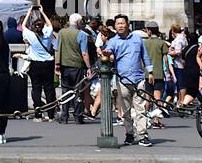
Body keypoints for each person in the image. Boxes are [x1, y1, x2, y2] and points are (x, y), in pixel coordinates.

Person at [101, 14, 153, 147]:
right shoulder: (113, 41)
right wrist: (107, 54)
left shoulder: (137, 39)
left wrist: (150, 71)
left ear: (127, 24)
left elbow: (145, 56)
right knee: (125, 111)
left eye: (122, 23)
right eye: (117, 23)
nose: (120, 26)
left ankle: (143, 135)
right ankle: (129, 133)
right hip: (122, 80)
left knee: (140, 109)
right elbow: (109, 51)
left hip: (138, 78)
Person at [55, 13, 91, 124]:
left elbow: (57, 49)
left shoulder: (61, 33)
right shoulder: (82, 34)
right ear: (78, 22)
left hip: (65, 65)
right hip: (77, 65)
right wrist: (89, 67)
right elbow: (84, 53)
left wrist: (57, 64)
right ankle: (78, 116)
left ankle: (64, 116)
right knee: (78, 91)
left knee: (65, 91)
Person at [22, 6, 56, 120]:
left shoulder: (31, 35)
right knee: (49, 89)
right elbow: (50, 25)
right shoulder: (47, 35)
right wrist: (42, 12)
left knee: (36, 89)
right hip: (48, 63)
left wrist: (29, 12)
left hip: (36, 64)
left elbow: (23, 26)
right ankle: (51, 115)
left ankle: (38, 115)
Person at [141, 22, 169, 126]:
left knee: (147, 97)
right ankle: (156, 119)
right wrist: (168, 73)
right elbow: (166, 59)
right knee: (158, 97)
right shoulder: (162, 43)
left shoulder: (144, 43)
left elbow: (141, 59)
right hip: (159, 73)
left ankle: (144, 118)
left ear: (149, 30)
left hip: (147, 73)